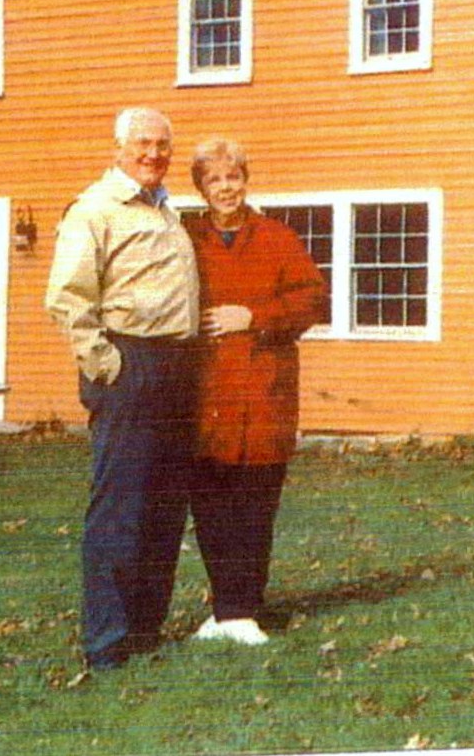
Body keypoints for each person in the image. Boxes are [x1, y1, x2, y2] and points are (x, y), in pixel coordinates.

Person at [45, 107, 200, 671]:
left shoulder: (167, 212)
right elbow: (67, 295)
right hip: (131, 364)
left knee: (163, 505)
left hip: (179, 367)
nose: (154, 154)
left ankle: (144, 630)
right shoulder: (95, 209)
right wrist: (105, 363)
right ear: (118, 148)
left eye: (163, 145)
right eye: (143, 144)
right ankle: (106, 642)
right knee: (120, 506)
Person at [185, 138, 326, 646]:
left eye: (233, 177)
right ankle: (226, 609)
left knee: (253, 504)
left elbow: (313, 300)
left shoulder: (276, 237)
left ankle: (245, 607)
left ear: (246, 179)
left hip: (263, 392)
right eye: (214, 180)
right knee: (210, 505)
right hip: (205, 395)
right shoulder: (186, 239)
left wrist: (254, 317)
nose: (226, 188)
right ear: (200, 188)